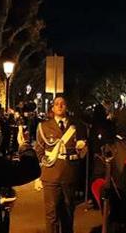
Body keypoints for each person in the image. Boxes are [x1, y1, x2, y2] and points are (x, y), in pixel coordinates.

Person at [35, 97, 88, 233]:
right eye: (57, 104)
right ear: (52, 108)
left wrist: (81, 148)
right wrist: (42, 171)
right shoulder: (44, 127)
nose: (60, 106)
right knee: (51, 214)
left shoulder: (77, 126)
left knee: (68, 212)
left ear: (66, 107)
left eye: (62, 104)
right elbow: (39, 151)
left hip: (69, 174)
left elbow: (83, 152)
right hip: (50, 174)